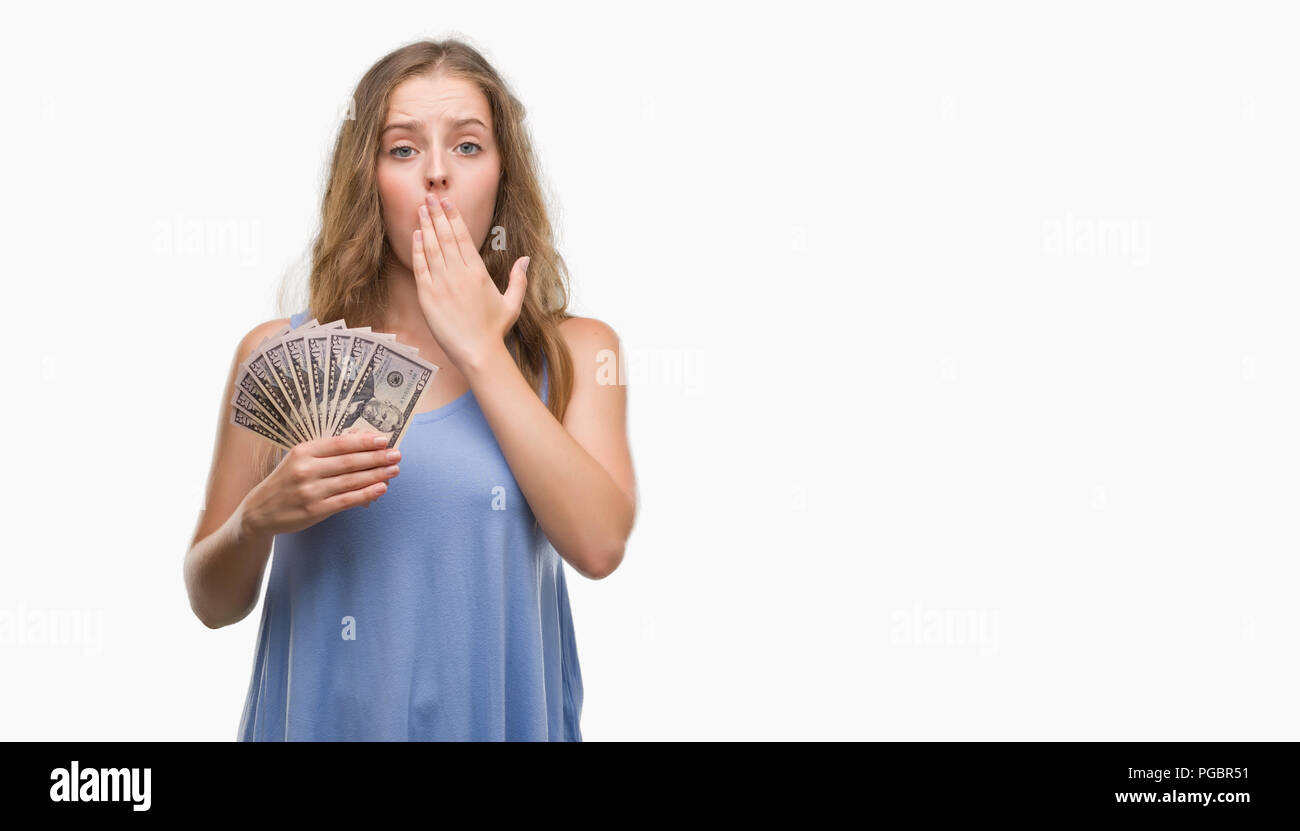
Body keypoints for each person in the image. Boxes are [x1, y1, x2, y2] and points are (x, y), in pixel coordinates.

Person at [183, 38, 638, 741]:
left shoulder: (578, 351)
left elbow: (600, 545)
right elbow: (212, 601)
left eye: (466, 146)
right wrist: (257, 517)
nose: (435, 174)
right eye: (402, 150)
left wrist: (483, 350)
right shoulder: (281, 355)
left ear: (501, 173)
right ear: (367, 177)